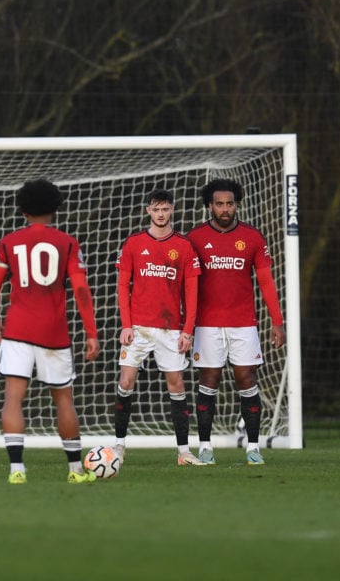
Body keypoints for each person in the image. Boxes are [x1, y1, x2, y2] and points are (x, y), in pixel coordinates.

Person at [0, 179, 100, 484]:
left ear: (22, 209)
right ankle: (75, 471)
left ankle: (16, 470)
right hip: (54, 332)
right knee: (63, 399)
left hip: (18, 329)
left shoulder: (8, 242)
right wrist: (91, 332)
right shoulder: (68, 242)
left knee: (13, 398)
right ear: (55, 208)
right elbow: (82, 290)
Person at [187, 178, 285, 466]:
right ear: (209, 206)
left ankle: (253, 447)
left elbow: (266, 282)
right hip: (207, 324)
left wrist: (276, 322)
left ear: (237, 204)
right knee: (209, 380)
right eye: (219, 204)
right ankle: (205, 446)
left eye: (229, 203)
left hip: (244, 323)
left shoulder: (252, 238)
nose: (225, 209)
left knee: (246, 379)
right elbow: (187, 286)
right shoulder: (194, 239)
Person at [111, 188, 205, 466]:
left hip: (171, 329)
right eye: (156, 209)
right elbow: (122, 286)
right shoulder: (133, 243)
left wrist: (188, 330)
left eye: (165, 209)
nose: (160, 214)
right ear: (148, 211)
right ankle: (119, 446)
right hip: (137, 328)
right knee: (126, 381)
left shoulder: (185, 246)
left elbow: (192, 292)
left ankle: (184, 451)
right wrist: (126, 324)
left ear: (172, 210)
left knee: (176, 384)